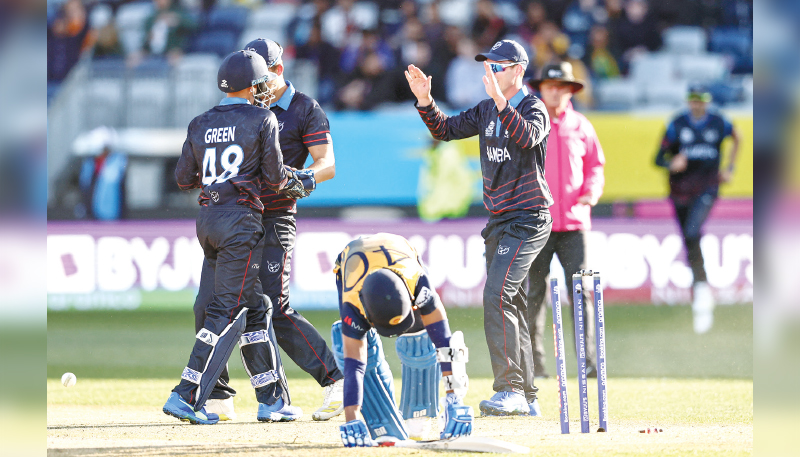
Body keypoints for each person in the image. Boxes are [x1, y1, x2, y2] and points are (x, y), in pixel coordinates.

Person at [193, 38, 343, 423]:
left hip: (275, 219)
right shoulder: (244, 108)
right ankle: (219, 395)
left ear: (278, 70)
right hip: (236, 220)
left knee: (274, 306)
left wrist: (299, 179)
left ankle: (336, 381)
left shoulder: (304, 108)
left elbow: (327, 164)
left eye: (264, 76)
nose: (257, 84)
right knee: (206, 305)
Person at [406, 39, 552, 417]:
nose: (488, 72)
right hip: (500, 220)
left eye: (497, 67)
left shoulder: (534, 107)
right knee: (511, 301)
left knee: (496, 295)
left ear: (518, 70)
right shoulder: (487, 108)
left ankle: (510, 389)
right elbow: (446, 130)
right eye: (486, 66)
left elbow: (527, 137)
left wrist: (503, 105)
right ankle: (528, 396)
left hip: (529, 217)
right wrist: (425, 100)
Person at [163, 50, 308, 424]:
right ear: (253, 86)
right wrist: (299, 181)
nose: (263, 91)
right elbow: (276, 179)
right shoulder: (263, 118)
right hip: (241, 223)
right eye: (260, 84)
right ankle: (187, 394)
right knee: (226, 311)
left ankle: (271, 399)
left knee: (255, 306)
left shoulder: (199, 122)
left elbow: (183, 179)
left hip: (208, 220)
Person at [332, 233, 474, 446]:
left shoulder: (418, 283)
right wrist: (351, 419)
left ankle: (418, 416)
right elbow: (355, 366)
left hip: (400, 254)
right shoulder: (352, 302)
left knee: (420, 337)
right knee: (361, 355)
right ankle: (382, 423)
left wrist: (455, 396)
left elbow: (444, 343)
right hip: (353, 260)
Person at [526, 62, 605, 378]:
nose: (555, 92)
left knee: (581, 291)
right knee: (534, 293)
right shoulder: (529, 123)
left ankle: (587, 364)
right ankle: (535, 366)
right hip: (537, 223)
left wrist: (591, 192)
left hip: (574, 225)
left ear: (570, 90)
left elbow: (595, 166)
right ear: (541, 89)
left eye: (561, 87)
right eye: (549, 86)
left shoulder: (582, 125)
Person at [655, 85, 740, 334]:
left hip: (707, 189)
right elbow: (658, 158)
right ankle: (700, 289)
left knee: (693, 232)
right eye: (693, 100)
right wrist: (672, 162)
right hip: (680, 192)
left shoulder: (718, 122)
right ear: (688, 101)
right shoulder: (676, 124)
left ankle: (702, 292)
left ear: (708, 101)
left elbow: (738, 136)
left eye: (701, 100)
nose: (697, 105)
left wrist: (730, 167)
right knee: (689, 238)